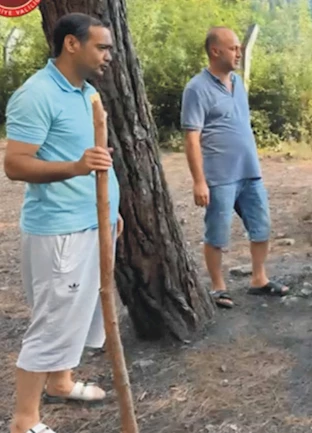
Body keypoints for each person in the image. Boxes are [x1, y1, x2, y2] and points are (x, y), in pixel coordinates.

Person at [3, 13, 121, 433]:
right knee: (53, 322)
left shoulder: (86, 93)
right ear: (72, 44)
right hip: (60, 232)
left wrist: (110, 213)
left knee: (77, 314)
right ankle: (24, 421)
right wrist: (73, 167)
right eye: (102, 47)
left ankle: (60, 382)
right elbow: (14, 165)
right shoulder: (36, 94)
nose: (109, 54)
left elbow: (96, 164)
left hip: (91, 224)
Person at [181, 26, 289, 309]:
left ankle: (259, 279)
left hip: (250, 172)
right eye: (233, 48)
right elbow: (191, 138)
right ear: (215, 51)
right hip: (219, 176)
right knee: (217, 233)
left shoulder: (238, 83)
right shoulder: (196, 89)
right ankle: (218, 287)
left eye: (240, 48)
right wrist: (199, 181)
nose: (239, 52)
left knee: (262, 227)